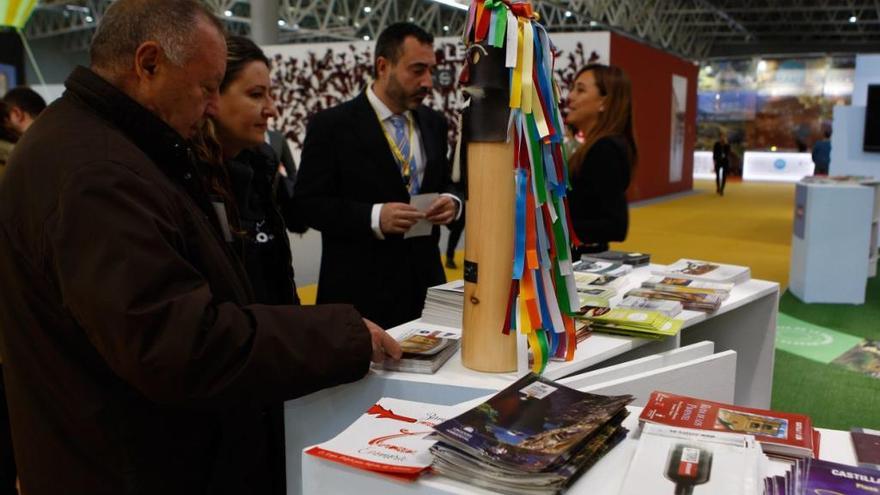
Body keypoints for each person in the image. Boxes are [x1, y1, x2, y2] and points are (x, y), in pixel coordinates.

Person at [0, 2, 399, 494]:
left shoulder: (104, 148)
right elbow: (177, 345)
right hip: (120, 468)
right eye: (206, 87)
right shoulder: (96, 173)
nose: (212, 105)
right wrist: (338, 335)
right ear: (148, 65)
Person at [295, 22, 460, 329]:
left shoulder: (434, 122)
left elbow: (446, 182)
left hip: (426, 287)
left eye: (431, 70)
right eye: (417, 70)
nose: (428, 82)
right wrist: (373, 217)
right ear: (383, 66)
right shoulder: (332, 125)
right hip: (361, 293)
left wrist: (452, 200)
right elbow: (308, 203)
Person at [564, 64, 637, 259]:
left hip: (581, 264)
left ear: (604, 102)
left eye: (580, 90)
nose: (570, 97)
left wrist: (551, 228)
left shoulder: (605, 149)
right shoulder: (596, 146)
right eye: (573, 89)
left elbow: (616, 225)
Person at [713, 129, 731, 195]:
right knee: (717, 175)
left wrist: (726, 145)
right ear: (719, 137)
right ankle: (718, 187)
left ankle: (722, 189)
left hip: (725, 161)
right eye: (721, 136)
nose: (723, 138)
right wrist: (714, 161)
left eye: (724, 136)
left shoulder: (727, 145)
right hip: (718, 160)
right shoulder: (716, 144)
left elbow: (728, 153)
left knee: (724, 176)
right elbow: (714, 153)